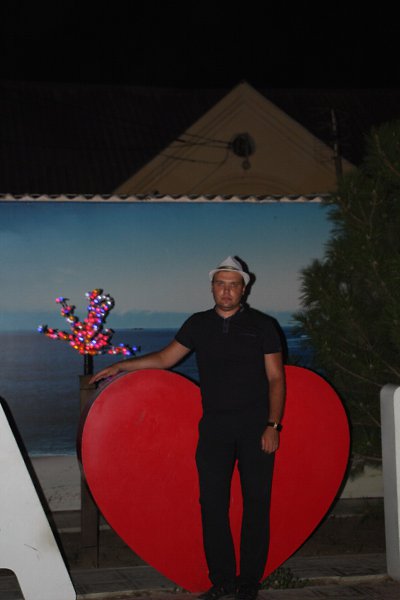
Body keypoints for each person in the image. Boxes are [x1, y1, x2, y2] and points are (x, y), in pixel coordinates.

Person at [90, 256, 285, 600]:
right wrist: (122, 366)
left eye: (233, 285)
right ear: (212, 287)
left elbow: (276, 378)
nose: (227, 291)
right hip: (215, 428)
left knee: (256, 504)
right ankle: (222, 581)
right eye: (221, 284)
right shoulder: (198, 324)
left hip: (256, 427)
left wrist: (273, 424)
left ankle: (249, 582)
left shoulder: (263, 326)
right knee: (212, 505)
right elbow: (165, 358)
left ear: (244, 288)